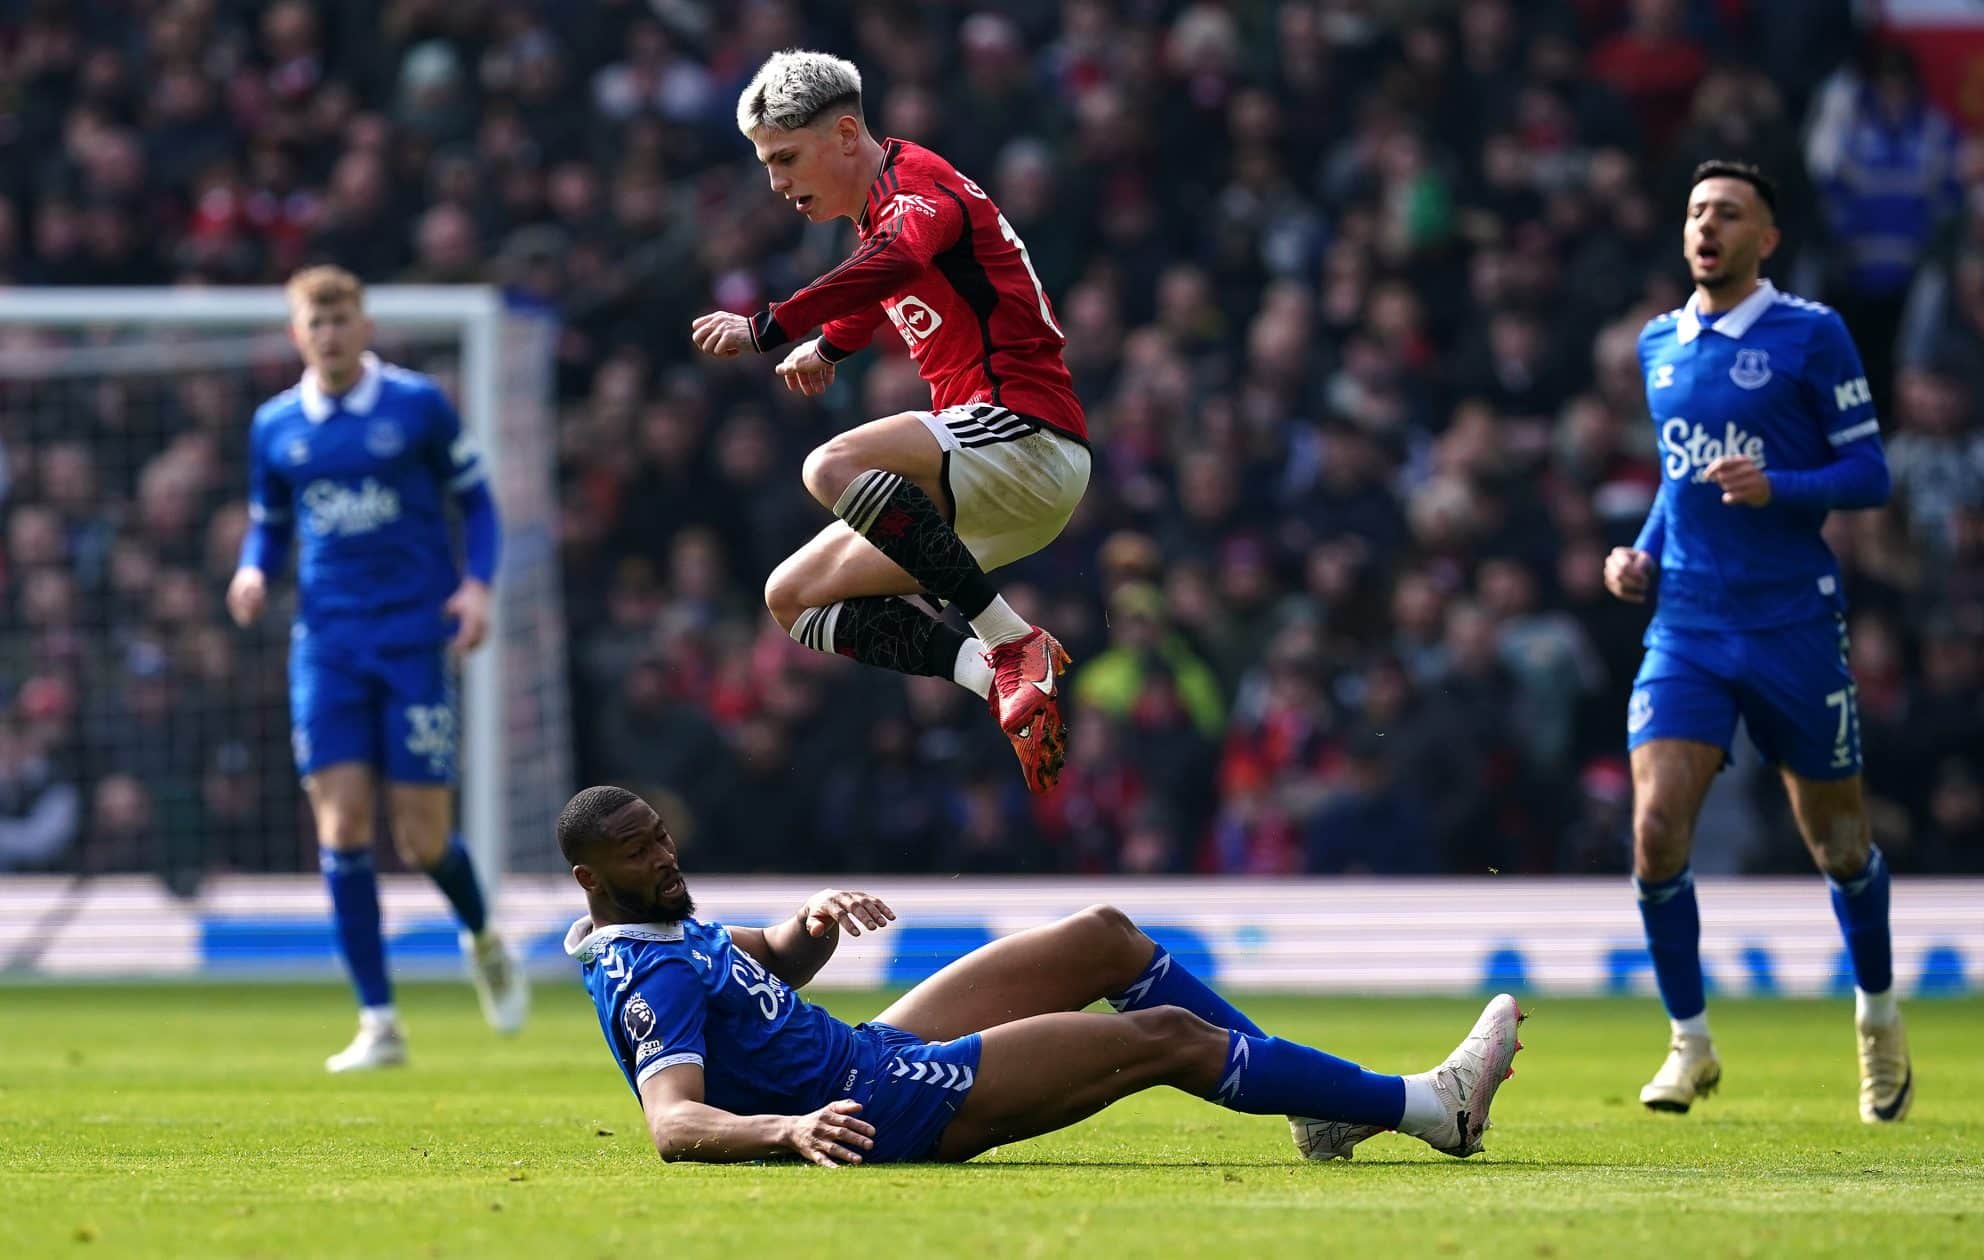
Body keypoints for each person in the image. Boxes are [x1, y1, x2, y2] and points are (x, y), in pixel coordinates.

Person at [557, 785, 1524, 1166]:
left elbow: (770, 961)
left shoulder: (669, 926)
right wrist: (790, 1128)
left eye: (664, 837)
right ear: (592, 881)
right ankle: (1428, 1108)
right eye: (643, 855)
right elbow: (672, 1121)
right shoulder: (650, 982)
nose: (668, 859)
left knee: (1102, 936)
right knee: (1170, 1043)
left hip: (865, 1054)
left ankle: (1319, 1105)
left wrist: (811, 925)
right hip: (878, 1104)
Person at [689, 51, 1092, 794]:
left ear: (846, 135)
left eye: (785, 158)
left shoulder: (916, 187)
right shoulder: (884, 208)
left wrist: (769, 328)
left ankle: (1011, 639)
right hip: (998, 492)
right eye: (765, 163)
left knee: (830, 467)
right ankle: (994, 679)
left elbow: (900, 258)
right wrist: (832, 345)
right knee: (793, 599)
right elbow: (896, 279)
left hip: (1026, 434)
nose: (776, 183)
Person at [1605, 161, 1905, 1122]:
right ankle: (1689, 1043)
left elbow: (1870, 474)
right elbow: (1676, 479)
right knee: (1654, 831)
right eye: (1696, 210)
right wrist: (1641, 554)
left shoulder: (1811, 335)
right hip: (1687, 622)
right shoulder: (1659, 342)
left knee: (1840, 842)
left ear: (1765, 238)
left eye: (1728, 213)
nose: (1707, 226)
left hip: (1790, 625)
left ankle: (1878, 1021)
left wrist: (1787, 487)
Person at [227, 265, 528, 1071]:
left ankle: (482, 935)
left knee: (423, 836)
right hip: (326, 644)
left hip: (411, 640)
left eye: (342, 317)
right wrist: (254, 569)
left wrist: (477, 587)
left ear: (364, 325)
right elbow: (269, 524)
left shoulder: (416, 406)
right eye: (314, 322)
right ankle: (378, 1019)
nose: (329, 332)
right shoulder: (275, 426)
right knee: (342, 825)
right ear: (298, 335)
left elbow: (479, 503)